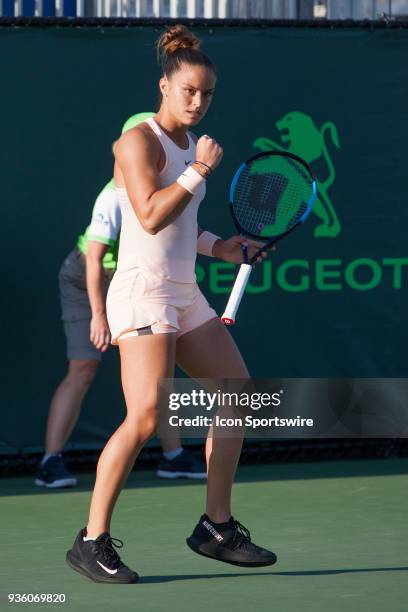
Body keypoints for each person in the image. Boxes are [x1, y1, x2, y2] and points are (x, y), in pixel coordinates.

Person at [66, 25, 277, 584]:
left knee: (239, 396)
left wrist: (220, 248)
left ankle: (216, 526)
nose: (198, 101)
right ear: (164, 85)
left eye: (207, 93)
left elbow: (182, 225)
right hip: (141, 293)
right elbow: (151, 214)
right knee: (144, 418)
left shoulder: (189, 144)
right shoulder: (137, 143)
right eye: (188, 90)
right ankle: (91, 541)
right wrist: (201, 169)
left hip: (184, 293)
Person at [35, 112, 206, 489]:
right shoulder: (113, 198)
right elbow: (93, 259)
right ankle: (50, 461)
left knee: (160, 376)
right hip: (87, 281)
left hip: (139, 278)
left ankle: (174, 456)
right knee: (83, 368)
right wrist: (98, 315)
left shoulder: (168, 186)